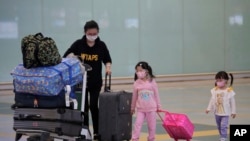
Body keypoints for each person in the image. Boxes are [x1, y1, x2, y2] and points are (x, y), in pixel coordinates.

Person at [63, 20, 112, 140]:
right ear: (85, 32)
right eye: (90, 33)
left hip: (95, 82)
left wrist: (108, 67)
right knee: (83, 107)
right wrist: (73, 58)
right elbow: (66, 55)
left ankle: (97, 132)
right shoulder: (79, 44)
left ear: (98, 32)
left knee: (94, 106)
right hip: (81, 82)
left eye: (95, 33)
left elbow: (107, 59)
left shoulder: (101, 45)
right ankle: (85, 131)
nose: (92, 36)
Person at [131, 61, 161, 141]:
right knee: (137, 124)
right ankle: (135, 138)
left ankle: (151, 139)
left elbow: (156, 95)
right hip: (140, 109)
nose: (138, 72)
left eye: (140, 70)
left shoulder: (152, 82)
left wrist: (158, 106)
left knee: (152, 126)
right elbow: (134, 97)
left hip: (151, 109)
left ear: (146, 71)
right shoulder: (136, 83)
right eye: (137, 71)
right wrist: (132, 107)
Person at [205, 71, 236, 141]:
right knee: (219, 126)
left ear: (226, 81)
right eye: (217, 80)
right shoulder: (215, 90)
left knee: (223, 126)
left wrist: (233, 112)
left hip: (225, 113)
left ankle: (223, 137)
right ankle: (221, 135)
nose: (218, 82)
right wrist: (208, 108)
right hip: (217, 113)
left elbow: (232, 102)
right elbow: (212, 100)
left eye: (220, 80)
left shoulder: (229, 91)